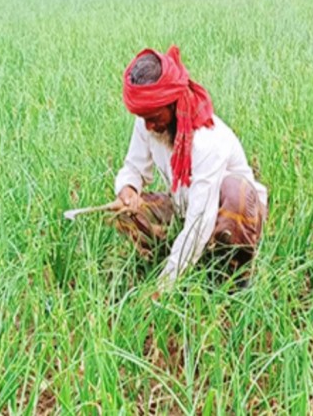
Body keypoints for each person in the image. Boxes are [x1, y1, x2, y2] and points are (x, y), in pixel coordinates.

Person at [112, 45, 268, 291]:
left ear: (173, 104)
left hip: (226, 213)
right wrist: (129, 189)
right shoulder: (148, 121)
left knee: (234, 191)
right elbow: (134, 167)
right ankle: (168, 257)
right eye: (144, 118)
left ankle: (231, 280)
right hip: (183, 205)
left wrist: (163, 288)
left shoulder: (207, 140)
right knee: (125, 212)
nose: (149, 126)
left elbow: (200, 222)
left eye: (154, 117)